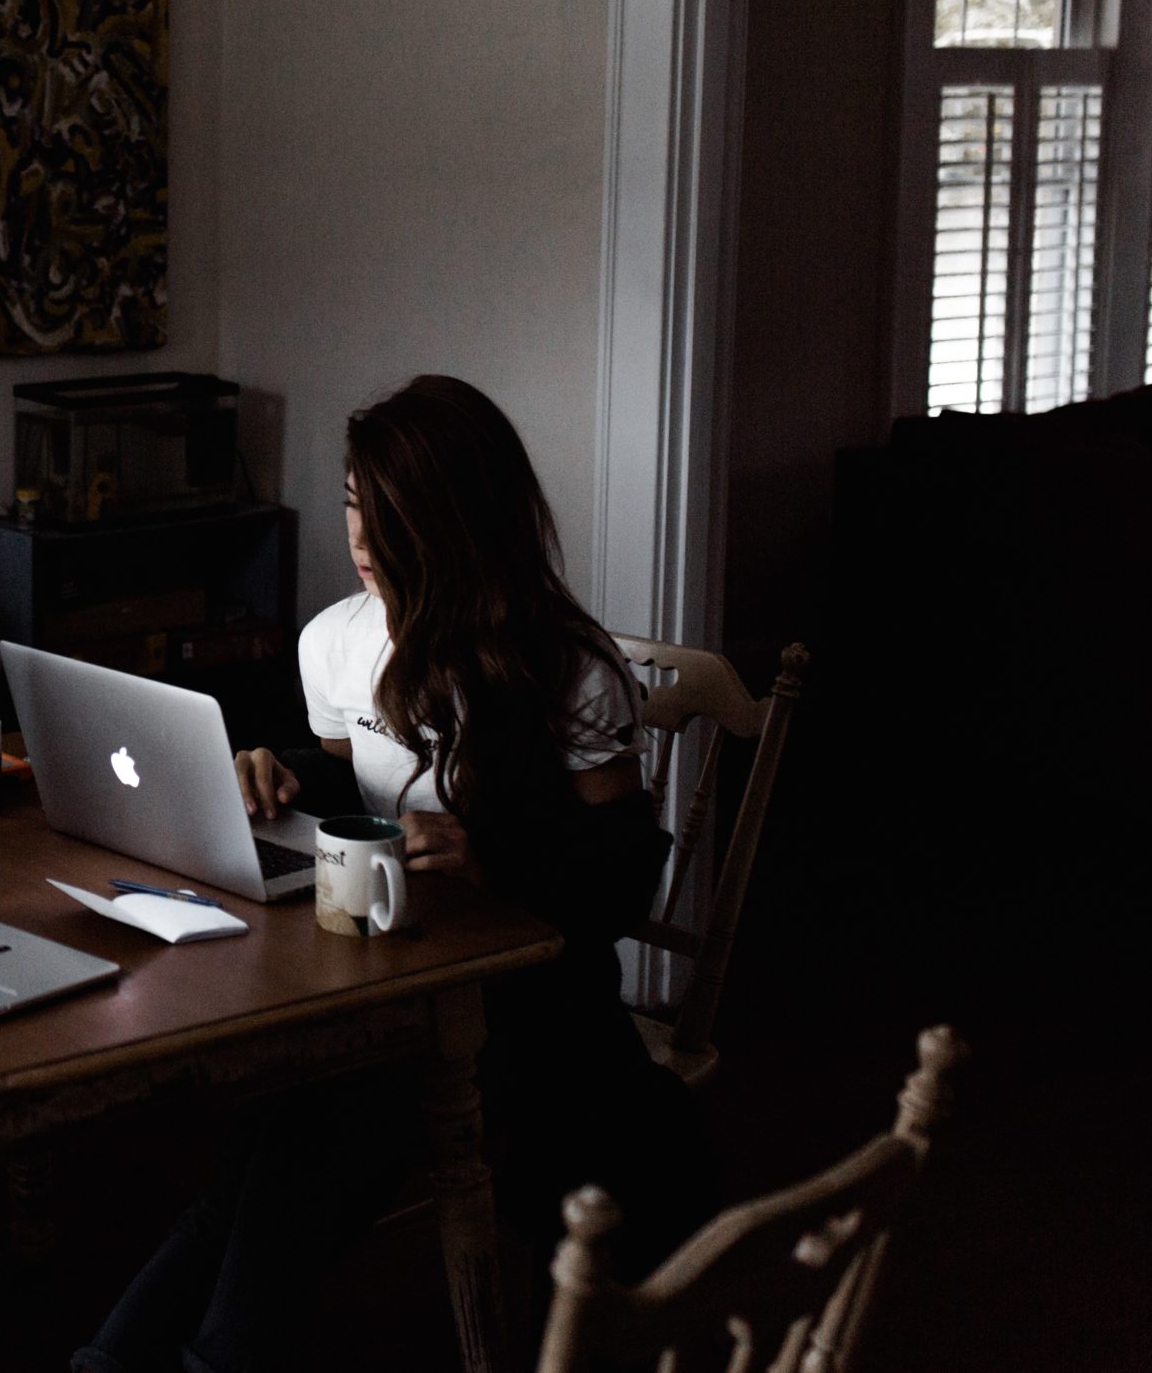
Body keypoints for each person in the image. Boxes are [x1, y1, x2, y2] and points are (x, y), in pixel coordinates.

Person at [76, 375, 713, 1373]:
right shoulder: (333, 643)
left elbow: (625, 879)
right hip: (380, 977)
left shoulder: (567, 670)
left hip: (522, 1007)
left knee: (302, 1139)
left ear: (458, 521)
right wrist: (279, 764)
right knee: (260, 1155)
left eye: (391, 516)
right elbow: (353, 773)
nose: (361, 538)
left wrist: (492, 856)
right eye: (350, 504)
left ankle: (199, 1359)